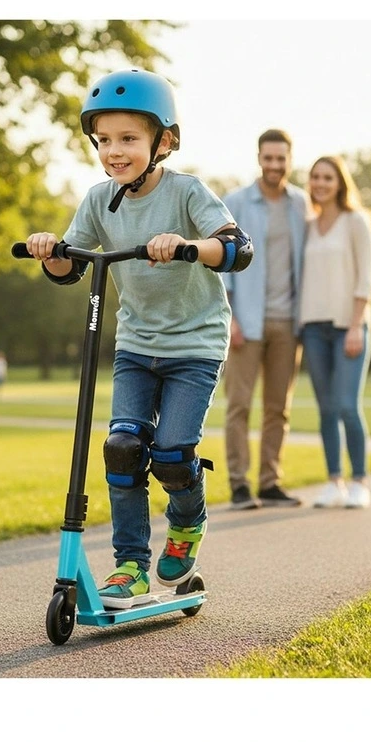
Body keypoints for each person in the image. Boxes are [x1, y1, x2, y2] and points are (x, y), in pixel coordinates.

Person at [25, 68, 253, 610]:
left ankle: (187, 522)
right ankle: (130, 566)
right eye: (104, 140)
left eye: (128, 138)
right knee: (123, 449)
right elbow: (70, 268)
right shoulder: (100, 199)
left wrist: (189, 245)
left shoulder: (187, 192)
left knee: (172, 456)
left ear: (163, 141)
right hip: (135, 346)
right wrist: (49, 250)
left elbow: (237, 248)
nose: (114, 151)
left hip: (195, 347)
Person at [222, 129, 309, 510]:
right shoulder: (236, 203)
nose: (275, 165)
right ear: (259, 158)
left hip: (289, 323)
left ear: (289, 161)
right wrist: (231, 319)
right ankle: (240, 485)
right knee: (238, 405)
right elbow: (220, 266)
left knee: (279, 409)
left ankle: (270, 482)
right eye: (268, 158)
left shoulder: (301, 205)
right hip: (246, 322)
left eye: (281, 159)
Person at [299, 155, 371, 509]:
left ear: (340, 182)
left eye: (328, 177)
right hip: (313, 328)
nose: (321, 183)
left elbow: (366, 277)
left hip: (350, 326)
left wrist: (357, 324)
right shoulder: (309, 225)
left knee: (347, 406)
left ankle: (359, 481)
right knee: (326, 408)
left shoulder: (356, 221)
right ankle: (334, 482)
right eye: (315, 177)